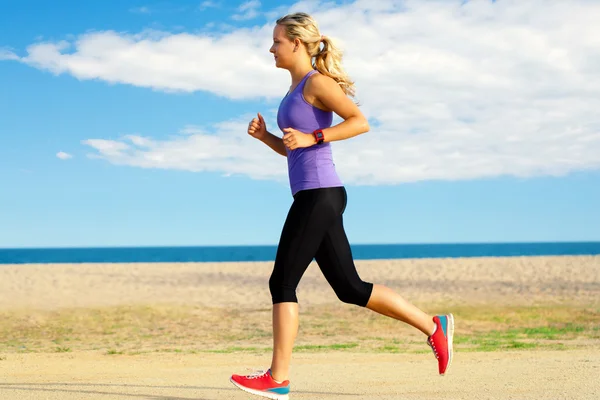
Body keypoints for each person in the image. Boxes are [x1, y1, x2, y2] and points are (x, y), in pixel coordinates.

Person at [230, 12, 454, 400]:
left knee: (281, 281)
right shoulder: (293, 91)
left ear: (296, 43)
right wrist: (267, 136)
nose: (271, 48)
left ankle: (278, 378)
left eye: (277, 42)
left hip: (320, 195)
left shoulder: (317, 82)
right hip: (315, 194)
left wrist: (315, 135)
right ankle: (434, 326)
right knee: (350, 288)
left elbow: (359, 121)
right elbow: (294, 150)